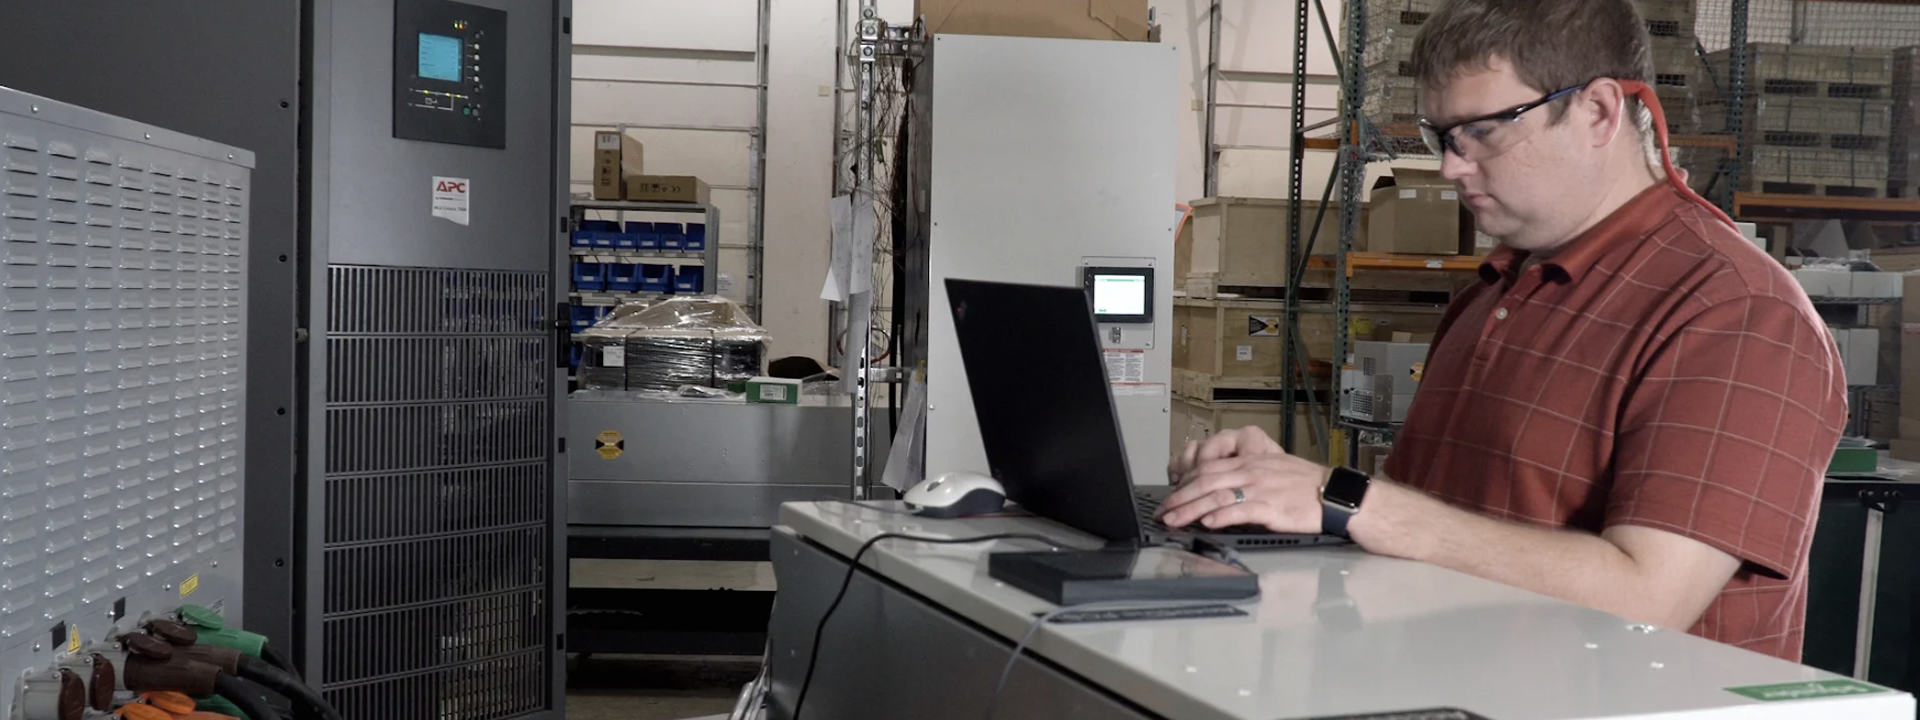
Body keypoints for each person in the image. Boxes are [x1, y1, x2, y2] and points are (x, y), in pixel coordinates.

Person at [1157, 0, 1846, 662]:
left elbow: (1648, 595)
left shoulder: (1736, 311)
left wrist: (1341, 500)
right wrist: (1277, 494)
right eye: (1441, 137)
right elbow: (1436, 529)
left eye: (1482, 130)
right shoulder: (1499, 290)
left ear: (1599, 110)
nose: (1451, 165)